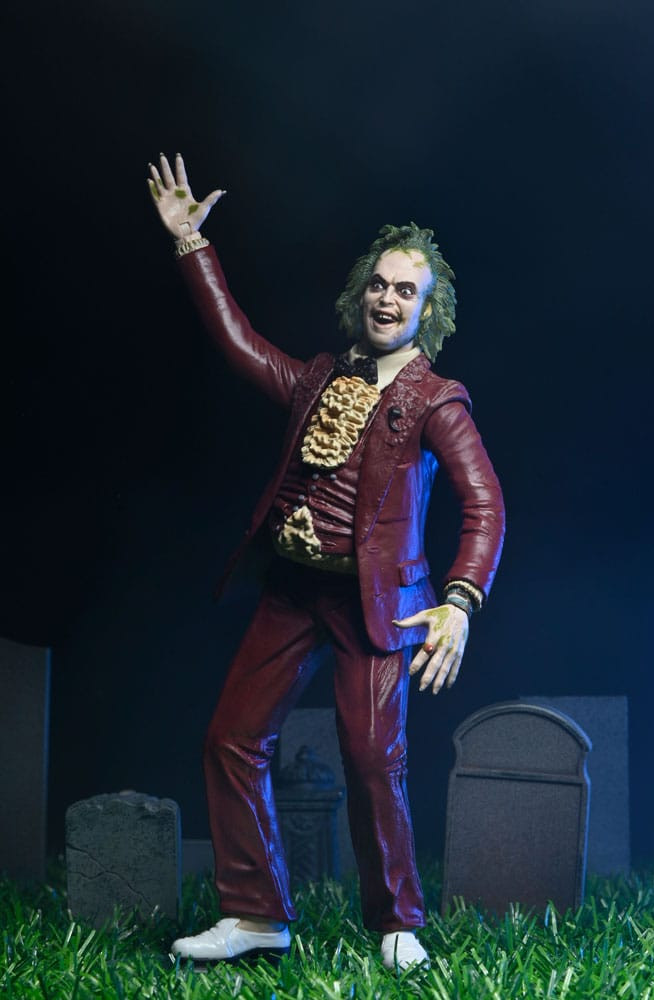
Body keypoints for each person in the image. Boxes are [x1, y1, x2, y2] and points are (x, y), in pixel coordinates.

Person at [148, 153, 505, 971]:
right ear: (360, 292)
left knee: (373, 758)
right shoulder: (317, 378)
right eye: (378, 284)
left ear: (427, 310)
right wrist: (191, 244)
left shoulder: (436, 399)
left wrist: (459, 602)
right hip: (292, 591)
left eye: (405, 291)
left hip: (379, 604)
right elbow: (239, 344)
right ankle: (255, 914)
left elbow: (485, 502)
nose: (386, 299)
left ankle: (398, 923)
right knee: (231, 738)